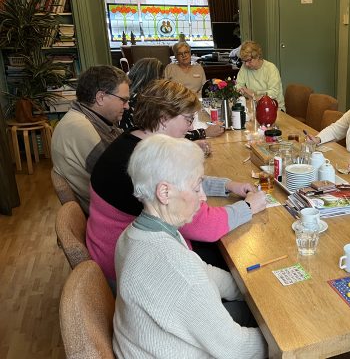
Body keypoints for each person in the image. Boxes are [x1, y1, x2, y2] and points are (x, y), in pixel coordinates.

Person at [86, 79, 266, 285]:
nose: (190, 127)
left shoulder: (134, 140)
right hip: (132, 272)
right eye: (188, 120)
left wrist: (227, 185)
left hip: (114, 251)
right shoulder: (151, 161)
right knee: (244, 267)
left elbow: (182, 183)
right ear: (164, 119)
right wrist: (249, 207)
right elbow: (205, 226)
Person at [113, 134, 268, 358]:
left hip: (155, 344)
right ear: (164, 192)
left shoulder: (136, 234)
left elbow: (202, 271)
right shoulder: (173, 267)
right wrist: (285, 341)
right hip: (173, 350)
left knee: (253, 312)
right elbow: (236, 349)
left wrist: (251, 292)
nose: (203, 197)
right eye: (196, 188)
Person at [51, 65, 130, 213]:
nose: (127, 106)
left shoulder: (81, 118)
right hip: (109, 214)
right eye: (123, 100)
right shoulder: (80, 128)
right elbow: (119, 179)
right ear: (100, 97)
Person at [235, 40, 285, 111]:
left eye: (249, 60)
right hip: (255, 107)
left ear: (257, 56)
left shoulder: (270, 68)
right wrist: (244, 91)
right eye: (244, 61)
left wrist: (254, 95)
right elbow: (238, 85)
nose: (246, 64)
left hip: (274, 108)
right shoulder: (244, 67)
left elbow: (273, 93)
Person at [119, 57, 165, 131]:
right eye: (161, 78)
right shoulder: (139, 101)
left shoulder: (130, 95)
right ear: (151, 79)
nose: (163, 81)